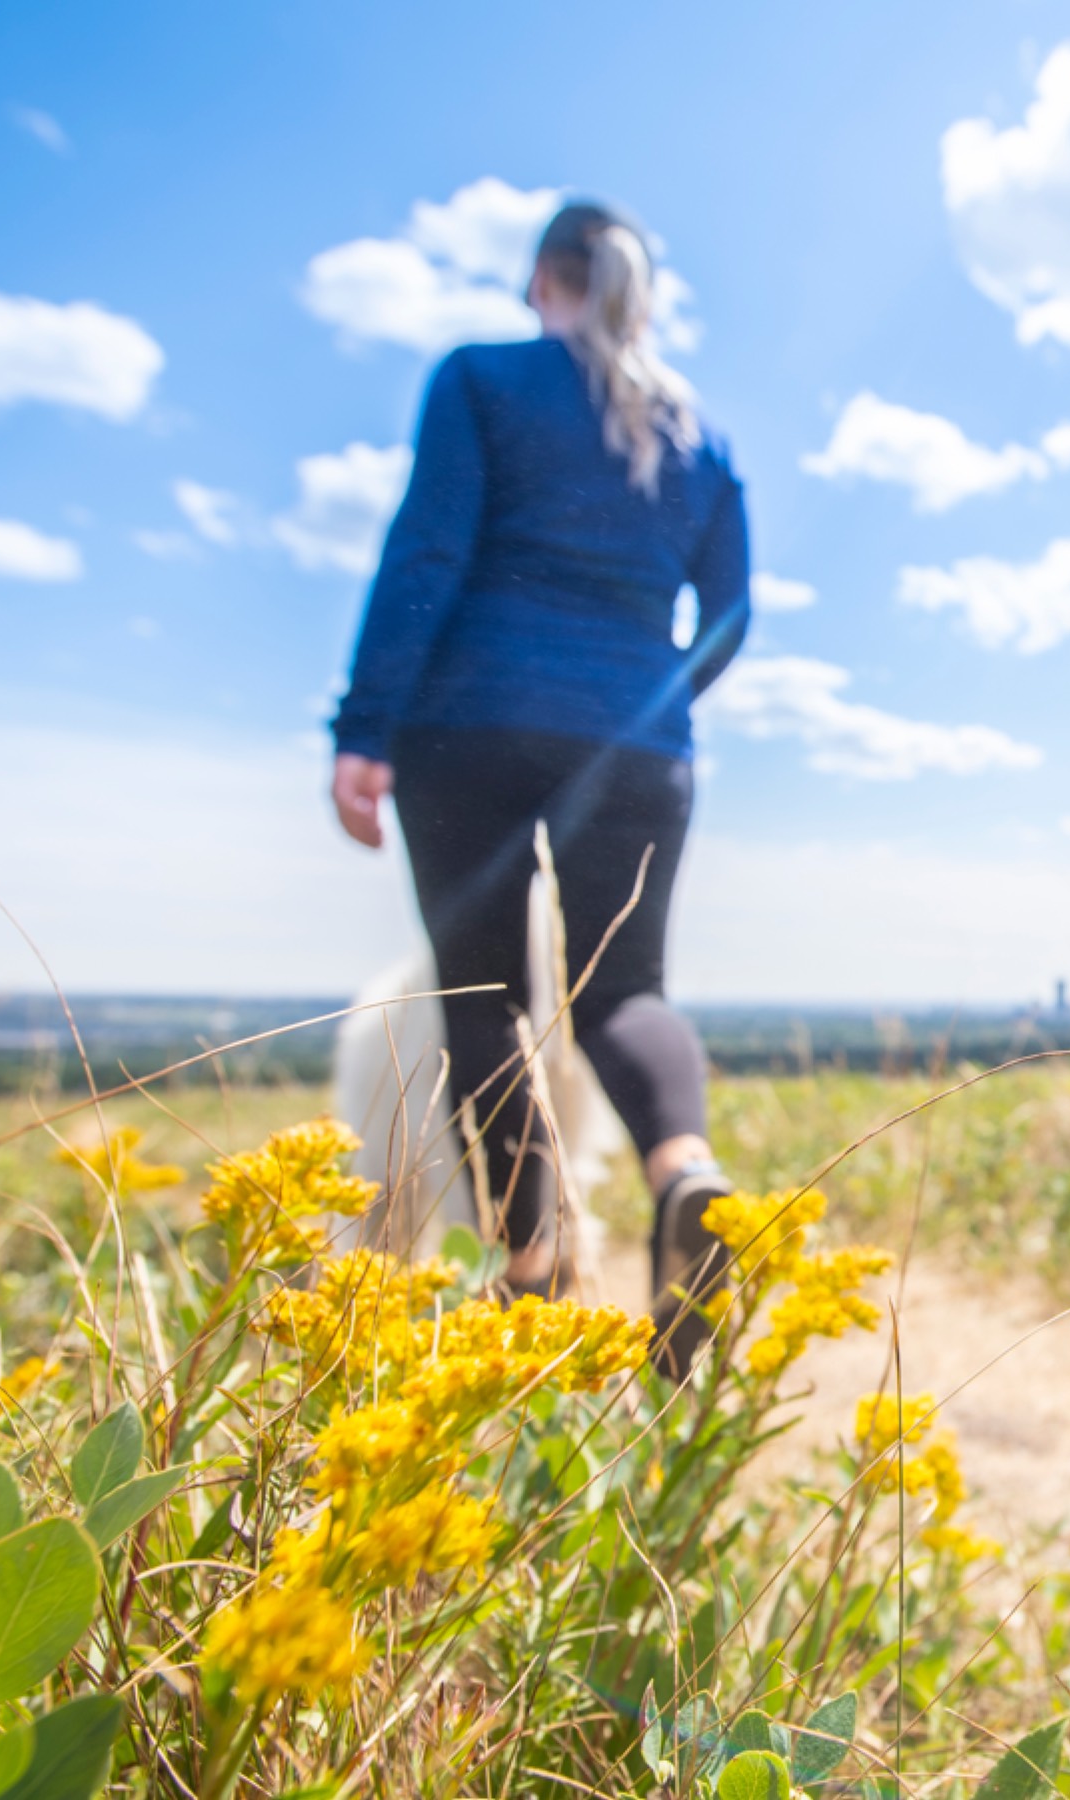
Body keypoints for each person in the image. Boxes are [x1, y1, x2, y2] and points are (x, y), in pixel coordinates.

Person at [328, 200, 751, 1376]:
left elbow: (427, 552)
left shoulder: (480, 381)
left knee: (483, 1000)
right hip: (638, 744)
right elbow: (731, 616)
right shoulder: (701, 439)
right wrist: (652, 705)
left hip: (468, 724)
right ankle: (685, 1175)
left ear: (542, 283)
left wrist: (365, 728)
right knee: (625, 993)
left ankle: (533, 1274)